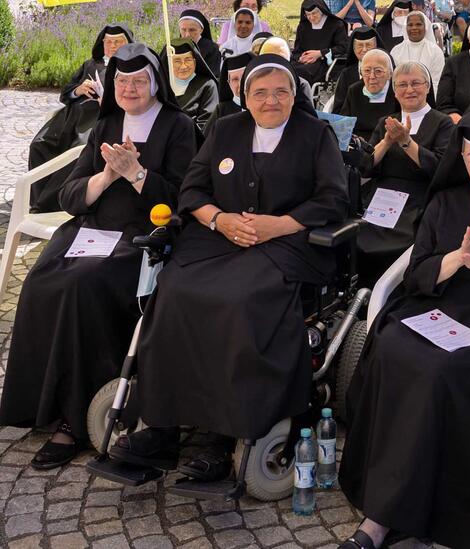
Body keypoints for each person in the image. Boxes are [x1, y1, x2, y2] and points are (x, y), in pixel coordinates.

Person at [111, 55, 349, 480]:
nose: (271, 100)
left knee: (238, 303)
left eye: (281, 91)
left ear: (295, 95)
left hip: (289, 244)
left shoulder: (316, 135)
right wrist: (220, 220)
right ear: (244, 96)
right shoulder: (226, 129)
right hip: (218, 239)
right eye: (260, 92)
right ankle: (163, 428)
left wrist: (277, 225)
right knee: (175, 292)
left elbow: (332, 198)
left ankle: (221, 437)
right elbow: (194, 189)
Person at [338, 113, 470, 549]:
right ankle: (383, 515)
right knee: (393, 348)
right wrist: (457, 257)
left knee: (438, 371)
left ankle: (402, 515)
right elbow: (416, 275)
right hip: (431, 308)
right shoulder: (445, 202)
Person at [0, 45, 195, 469]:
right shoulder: (106, 122)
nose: (130, 89)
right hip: (91, 228)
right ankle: (36, 401)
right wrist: (106, 176)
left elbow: (186, 198)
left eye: (139, 81)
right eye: (122, 82)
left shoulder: (178, 127)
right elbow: (71, 195)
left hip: (143, 235)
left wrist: (137, 174)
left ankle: (73, 419)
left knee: (79, 287)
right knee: (39, 282)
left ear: (156, 84)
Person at [355, 61, 454, 288]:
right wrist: (387, 141)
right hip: (382, 196)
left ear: (428, 87)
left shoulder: (442, 123)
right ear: (394, 91)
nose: (409, 90)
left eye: (416, 83)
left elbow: (439, 168)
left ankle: (394, 293)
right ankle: (360, 295)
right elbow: (367, 166)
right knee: (358, 234)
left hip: (420, 198)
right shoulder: (386, 122)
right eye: (402, 85)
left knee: (405, 241)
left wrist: (406, 142)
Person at [28, 24, 134, 212]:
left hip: (97, 118)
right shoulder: (90, 64)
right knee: (40, 144)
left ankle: (49, 204)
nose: (112, 46)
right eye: (108, 42)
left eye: (118, 41)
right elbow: (65, 93)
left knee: (77, 151)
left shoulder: (131, 67)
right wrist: (79, 90)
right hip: (71, 116)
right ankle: (35, 200)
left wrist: (107, 101)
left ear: (128, 43)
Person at [338, 49, 401, 141]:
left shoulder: (397, 91)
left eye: (378, 71)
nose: (372, 76)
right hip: (359, 143)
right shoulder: (354, 90)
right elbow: (344, 124)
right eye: (367, 71)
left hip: (389, 142)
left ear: (390, 74)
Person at [292, 0, 349, 85]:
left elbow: (343, 47)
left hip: (324, 62)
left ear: (322, 11)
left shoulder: (336, 25)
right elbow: (297, 50)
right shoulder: (303, 26)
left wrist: (320, 53)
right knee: (287, 69)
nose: (311, 17)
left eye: (314, 13)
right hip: (303, 62)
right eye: (308, 14)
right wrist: (301, 58)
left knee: (304, 72)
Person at [165, 39, 219, 134]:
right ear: (169, 63)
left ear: (195, 61)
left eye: (188, 60)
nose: (183, 66)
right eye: (177, 61)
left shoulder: (207, 85)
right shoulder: (162, 86)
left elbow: (207, 123)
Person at [328, 26, 383, 107]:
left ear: (376, 47)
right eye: (360, 46)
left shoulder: (386, 71)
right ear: (353, 49)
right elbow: (339, 106)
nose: (364, 50)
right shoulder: (347, 74)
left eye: (368, 45)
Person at [390, 10, 446, 90]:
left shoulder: (435, 51)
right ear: (406, 27)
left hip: (429, 96)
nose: (414, 28)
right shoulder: (396, 51)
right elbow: (394, 80)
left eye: (418, 24)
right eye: (410, 25)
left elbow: (437, 81)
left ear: (425, 27)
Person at [204, 51, 253, 136]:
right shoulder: (222, 110)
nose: (240, 84)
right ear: (228, 83)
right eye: (235, 79)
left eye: (244, 77)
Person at [176, 9, 223, 77]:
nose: (187, 34)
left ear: (201, 30)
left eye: (192, 30)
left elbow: (213, 76)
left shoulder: (212, 49)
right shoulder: (172, 48)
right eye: (183, 30)